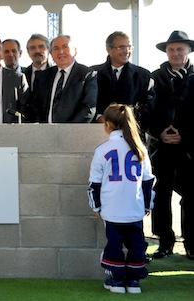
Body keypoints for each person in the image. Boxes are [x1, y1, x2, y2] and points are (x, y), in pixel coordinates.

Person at [88, 104, 155, 294]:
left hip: (111, 209)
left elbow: (94, 183)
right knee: (136, 243)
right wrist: (147, 205)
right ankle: (133, 281)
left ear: (108, 124)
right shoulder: (140, 148)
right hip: (135, 208)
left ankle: (117, 280)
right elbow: (149, 181)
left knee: (114, 244)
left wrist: (96, 207)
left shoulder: (102, 149)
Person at [149, 30, 194, 260]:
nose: (175, 53)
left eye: (180, 49)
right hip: (161, 147)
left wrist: (183, 135)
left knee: (191, 194)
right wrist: (159, 133)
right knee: (161, 193)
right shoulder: (154, 77)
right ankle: (164, 241)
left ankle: (192, 243)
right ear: (166, 52)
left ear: (189, 51)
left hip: (189, 148)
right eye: (171, 49)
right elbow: (146, 111)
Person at [26, 34, 97, 123]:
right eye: (56, 48)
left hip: (73, 133)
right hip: (45, 133)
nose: (61, 52)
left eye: (65, 47)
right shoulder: (43, 76)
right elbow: (35, 107)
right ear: (51, 54)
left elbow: (88, 109)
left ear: (75, 50)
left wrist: (66, 131)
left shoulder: (87, 75)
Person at [91, 31, 155, 128]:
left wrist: (126, 119)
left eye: (129, 47)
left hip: (132, 131)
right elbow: (87, 102)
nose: (126, 51)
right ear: (109, 49)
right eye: (121, 47)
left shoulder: (143, 76)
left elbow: (149, 107)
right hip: (99, 131)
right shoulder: (93, 74)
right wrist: (98, 117)